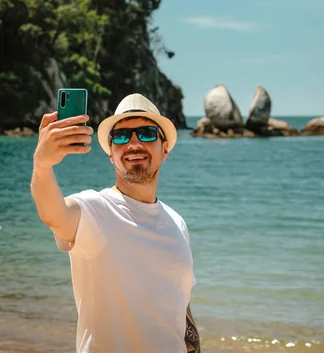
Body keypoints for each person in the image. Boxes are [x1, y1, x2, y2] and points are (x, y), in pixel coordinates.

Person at [31, 93, 201, 353]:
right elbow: (53, 214)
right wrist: (42, 165)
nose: (133, 143)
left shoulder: (177, 223)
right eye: (121, 136)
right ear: (111, 153)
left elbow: (182, 311)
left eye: (146, 133)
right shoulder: (95, 210)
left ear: (164, 148)